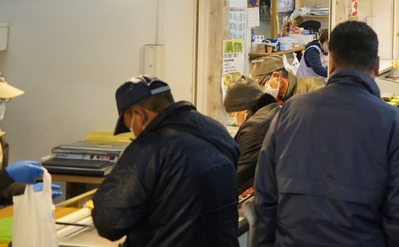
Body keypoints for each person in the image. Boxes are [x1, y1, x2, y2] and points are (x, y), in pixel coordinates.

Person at [255, 21, 399, 246]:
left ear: (332, 63)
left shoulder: (290, 111)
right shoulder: (395, 123)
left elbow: (265, 192)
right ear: (376, 66)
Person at [93, 76, 240, 247]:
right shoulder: (217, 131)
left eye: (130, 127)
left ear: (139, 115)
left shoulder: (149, 147)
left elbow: (109, 221)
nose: (134, 134)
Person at [0, 75, 60, 203]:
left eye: (4, 100)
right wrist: (7, 175)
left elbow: (1, 191)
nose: (2, 106)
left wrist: (26, 191)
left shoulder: (1, 143)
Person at [224, 76, 280, 195]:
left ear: (244, 110)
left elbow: (240, 173)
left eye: (232, 113)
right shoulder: (273, 111)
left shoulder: (256, 126)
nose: (233, 118)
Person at [250, 54, 325, 105]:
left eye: (262, 84)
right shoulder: (273, 99)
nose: (261, 89)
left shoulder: (316, 89)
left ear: (277, 77)